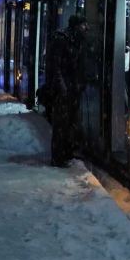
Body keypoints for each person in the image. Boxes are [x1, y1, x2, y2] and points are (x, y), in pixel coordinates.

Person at [45, 15, 88, 167]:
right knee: (61, 124)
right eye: (83, 25)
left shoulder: (76, 41)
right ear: (76, 26)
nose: (86, 29)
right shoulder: (62, 40)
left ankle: (67, 153)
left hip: (73, 88)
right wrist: (62, 87)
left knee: (71, 122)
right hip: (63, 90)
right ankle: (58, 157)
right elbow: (56, 67)